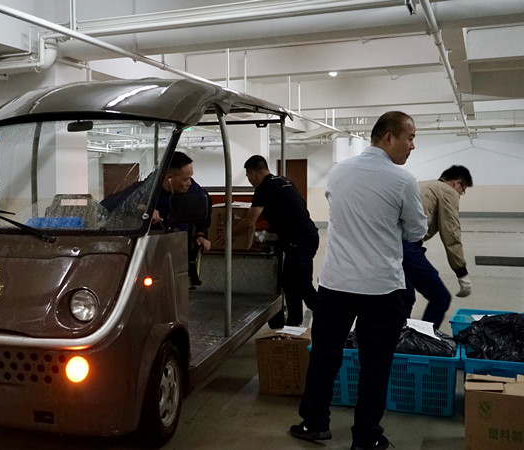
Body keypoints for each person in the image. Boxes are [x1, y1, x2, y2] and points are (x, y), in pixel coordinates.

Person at [290, 111, 427, 450]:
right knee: (375, 364)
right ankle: (366, 437)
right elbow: (416, 231)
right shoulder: (403, 180)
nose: (412, 145)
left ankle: (314, 423)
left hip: (335, 284)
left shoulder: (339, 172)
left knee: (325, 356)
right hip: (381, 287)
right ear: (388, 138)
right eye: (409, 138)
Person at [232, 155, 319, 326]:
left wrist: (228, 234)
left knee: (302, 285)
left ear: (252, 173)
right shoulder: (283, 181)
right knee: (289, 284)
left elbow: (249, 221)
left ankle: (330, 320)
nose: (249, 180)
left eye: (248, 176)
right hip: (304, 237)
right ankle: (293, 324)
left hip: (300, 241)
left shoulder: (264, 188)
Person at [101, 151, 212, 280]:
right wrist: (141, 208)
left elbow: (205, 210)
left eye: (190, 178)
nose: (189, 183)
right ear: (169, 178)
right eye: (185, 179)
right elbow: (108, 205)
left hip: (179, 248)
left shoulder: (193, 191)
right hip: (149, 251)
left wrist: (201, 234)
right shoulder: (146, 190)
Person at [403, 165, 473, 329]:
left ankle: (400, 338)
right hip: (406, 246)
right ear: (457, 183)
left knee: (404, 297)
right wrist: (461, 272)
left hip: (387, 245)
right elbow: (451, 233)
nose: (460, 194)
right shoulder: (447, 191)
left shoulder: (424, 186)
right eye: (462, 190)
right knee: (440, 298)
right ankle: (424, 338)